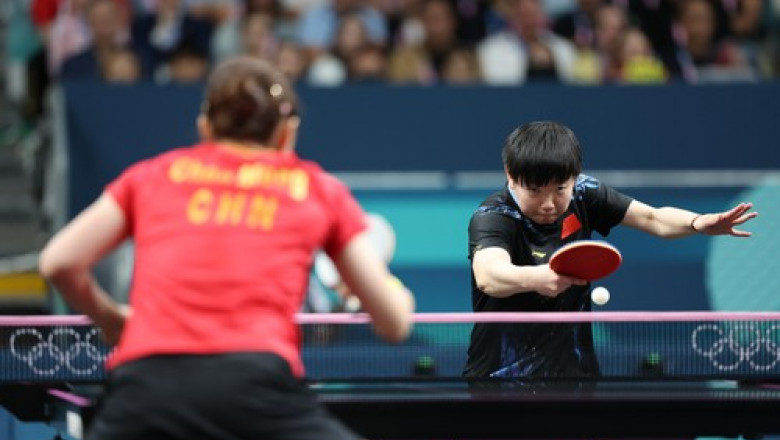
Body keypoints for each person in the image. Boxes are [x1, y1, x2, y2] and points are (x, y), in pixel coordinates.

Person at [38, 55, 415, 440]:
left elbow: (58, 262)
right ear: (287, 133)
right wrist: (397, 296)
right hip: (256, 387)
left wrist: (112, 319)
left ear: (204, 126)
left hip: (147, 388)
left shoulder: (152, 175)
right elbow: (393, 324)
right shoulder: (317, 190)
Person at [463, 120, 757, 379]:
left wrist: (697, 222)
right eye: (536, 191)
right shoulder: (494, 216)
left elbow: (652, 218)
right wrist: (540, 278)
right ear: (510, 175)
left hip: (574, 376)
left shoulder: (585, 194)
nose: (549, 203)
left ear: (575, 176)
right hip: (499, 378)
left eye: (560, 189)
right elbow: (490, 275)